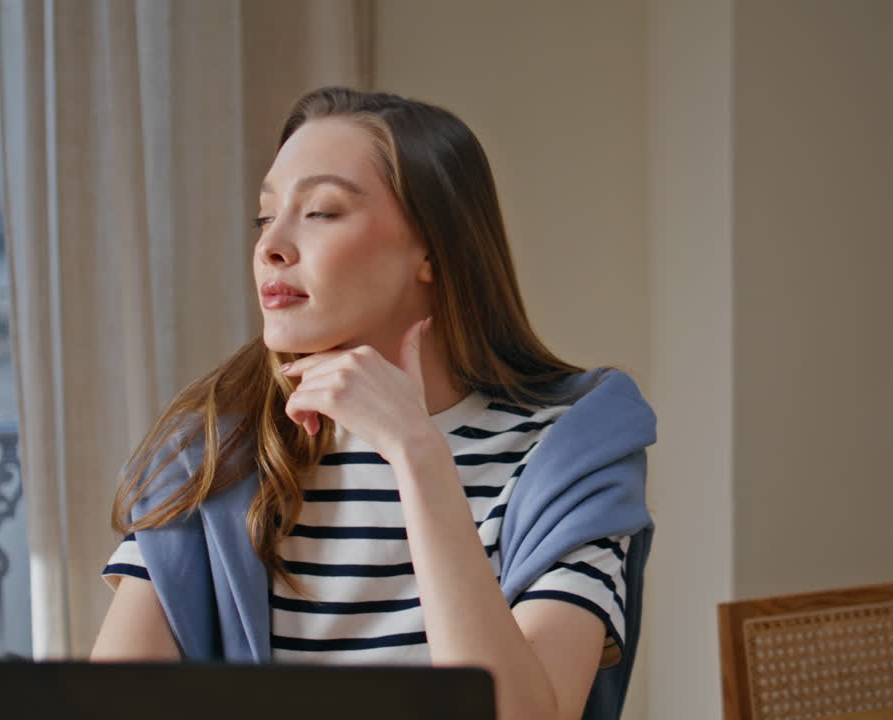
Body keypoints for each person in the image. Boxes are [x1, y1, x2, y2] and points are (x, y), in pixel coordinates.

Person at [90, 87, 656, 720]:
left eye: (323, 211)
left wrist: (417, 456)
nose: (270, 245)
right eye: (264, 216)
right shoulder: (216, 450)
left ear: (433, 252)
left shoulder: (572, 452)